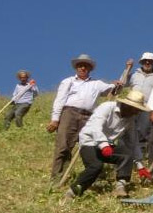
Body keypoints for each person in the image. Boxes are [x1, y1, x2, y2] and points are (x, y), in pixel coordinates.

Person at [62, 90, 149, 201]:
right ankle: (72, 192)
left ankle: (120, 186)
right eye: (136, 109)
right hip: (90, 142)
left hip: (107, 145)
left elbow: (132, 142)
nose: (137, 113)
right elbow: (95, 127)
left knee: (126, 154)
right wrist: (104, 145)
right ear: (127, 105)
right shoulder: (107, 107)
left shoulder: (130, 120)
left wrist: (139, 164)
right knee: (96, 166)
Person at [47, 54, 121, 183]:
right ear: (76, 67)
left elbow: (113, 90)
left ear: (90, 68)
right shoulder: (68, 81)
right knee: (63, 146)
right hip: (69, 113)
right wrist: (55, 119)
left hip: (88, 117)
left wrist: (116, 85)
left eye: (85, 66)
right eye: (80, 66)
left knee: (90, 145)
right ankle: (58, 177)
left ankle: (92, 174)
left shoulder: (96, 83)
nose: (82, 68)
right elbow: (59, 100)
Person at [128, 52, 153, 159]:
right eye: (145, 61)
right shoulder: (134, 75)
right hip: (132, 106)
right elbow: (122, 82)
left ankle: (140, 157)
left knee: (143, 131)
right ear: (142, 62)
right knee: (130, 131)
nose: (147, 63)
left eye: (150, 61)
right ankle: (129, 155)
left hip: (147, 107)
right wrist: (128, 69)